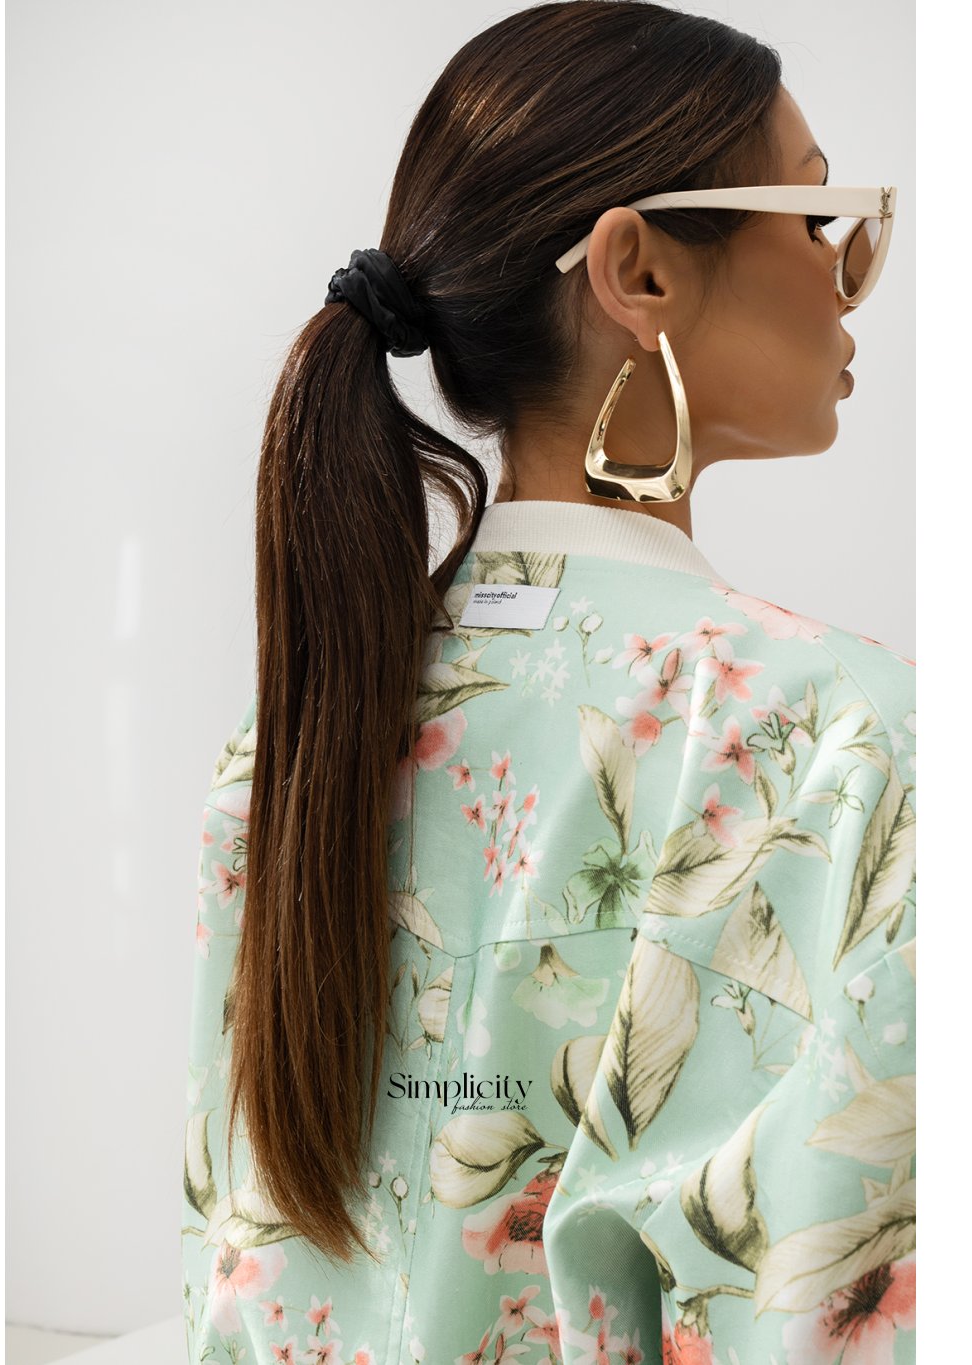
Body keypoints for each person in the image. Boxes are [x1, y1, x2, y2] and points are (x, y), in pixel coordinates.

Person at [181, 4, 915, 1362]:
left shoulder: (285, 741)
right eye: (819, 219)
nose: (849, 275)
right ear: (639, 269)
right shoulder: (848, 739)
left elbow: (236, 1256)